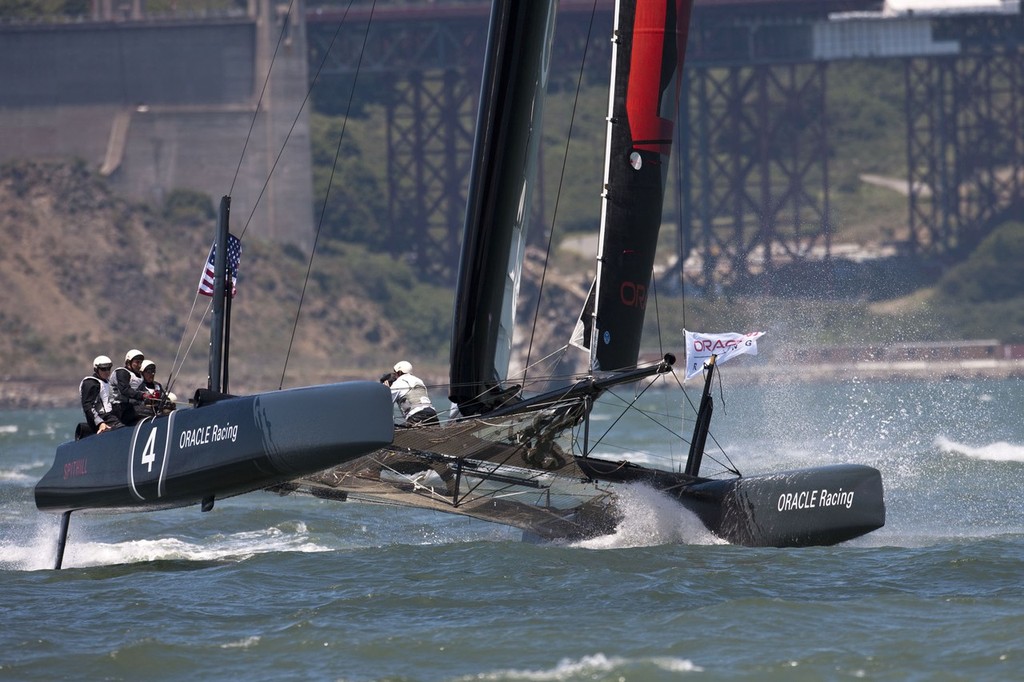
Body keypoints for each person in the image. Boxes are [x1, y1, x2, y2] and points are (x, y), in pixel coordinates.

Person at [383, 360, 438, 426]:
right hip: (433, 415)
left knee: (395, 430)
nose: (395, 376)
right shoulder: (419, 380)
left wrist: (386, 390)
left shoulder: (398, 382)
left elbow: (386, 403)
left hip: (416, 416)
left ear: (400, 372)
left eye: (395, 373)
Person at [79, 355, 122, 438]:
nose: (107, 371)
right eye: (103, 369)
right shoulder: (91, 383)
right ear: (96, 369)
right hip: (102, 419)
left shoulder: (108, 382)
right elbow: (88, 407)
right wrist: (100, 423)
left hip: (111, 417)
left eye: (108, 368)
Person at [111, 348, 147, 426]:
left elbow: (142, 390)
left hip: (131, 406)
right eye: (137, 362)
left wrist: (151, 396)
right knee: (147, 412)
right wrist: (142, 395)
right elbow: (125, 390)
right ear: (128, 362)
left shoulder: (140, 377)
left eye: (141, 363)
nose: (139, 365)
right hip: (118, 407)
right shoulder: (122, 372)